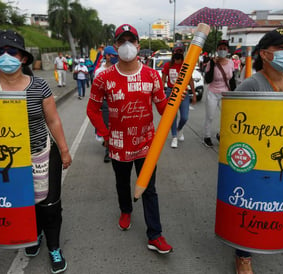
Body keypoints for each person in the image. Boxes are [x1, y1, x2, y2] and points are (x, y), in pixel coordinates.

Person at [0, 30, 71, 274]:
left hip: (40, 155)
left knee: (49, 204)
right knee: (22, 203)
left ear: (24, 58)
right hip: (5, 161)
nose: (5, 56)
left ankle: (54, 246)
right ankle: (33, 236)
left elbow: (54, 121)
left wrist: (64, 150)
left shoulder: (39, 86)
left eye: (12, 51)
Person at [86, 24, 173, 254]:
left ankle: (155, 235)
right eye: (121, 41)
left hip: (146, 144)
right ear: (116, 46)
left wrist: (174, 100)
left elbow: (163, 109)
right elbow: (92, 110)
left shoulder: (152, 75)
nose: (127, 45)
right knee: (122, 183)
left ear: (138, 45)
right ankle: (126, 210)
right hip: (118, 145)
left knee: (149, 189)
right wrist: (105, 135)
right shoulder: (103, 78)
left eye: (131, 40)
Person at [234, 28, 283, 274]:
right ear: (264, 54)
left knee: (274, 201)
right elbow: (235, 125)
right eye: (281, 48)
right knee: (250, 204)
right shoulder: (251, 85)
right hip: (255, 161)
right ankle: (243, 255)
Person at [161, 44, 196, 148]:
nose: (178, 54)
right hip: (171, 91)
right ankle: (174, 137)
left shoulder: (186, 65)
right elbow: (163, 79)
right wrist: (162, 92)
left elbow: (190, 79)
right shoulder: (168, 65)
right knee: (172, 116)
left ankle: (179, 129)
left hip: (183, 92)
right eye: (176, 52)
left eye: (180, 52)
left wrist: (193, 93)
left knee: (184, 117)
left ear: (183, 53)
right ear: (173, 53)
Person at [203, 40, 234, 147]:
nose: (222, 51)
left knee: (226, 116)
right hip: (212, 93)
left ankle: (221, 134)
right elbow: (207, 79)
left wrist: (234, 93)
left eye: (224, 49)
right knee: (210, 116)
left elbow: (232, 79)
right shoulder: (211, 63)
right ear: (217, 50)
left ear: (228, 50)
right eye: (220, 48)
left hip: (225, 94)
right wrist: (212, 64)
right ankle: (207, 136)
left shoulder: (231, 63)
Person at [94, 45, 119, 163]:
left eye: (115, 55)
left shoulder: (119, 68)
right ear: (107, 56)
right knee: (107, 127)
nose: (114, 57)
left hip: (118, 101)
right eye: (112, 55)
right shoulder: (99, 71)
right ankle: (108, 152)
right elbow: (96, 89)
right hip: (105, 102)